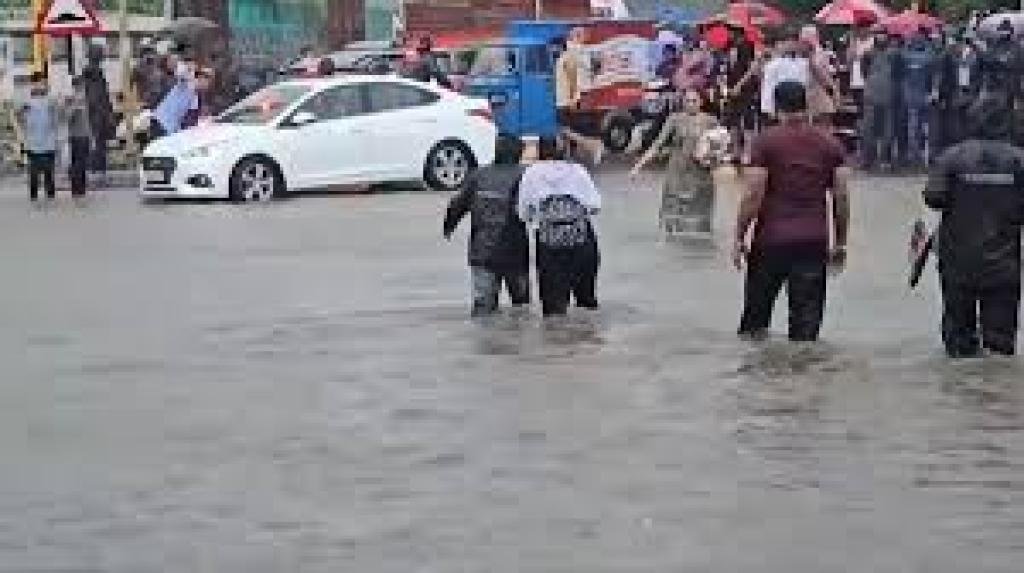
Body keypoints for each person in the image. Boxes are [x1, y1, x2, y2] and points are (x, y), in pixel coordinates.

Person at [733, 81, 850, 342]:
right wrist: (841, 243)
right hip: (813, 242)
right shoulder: (830, 144)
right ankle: (802, 369)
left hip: (770, 241)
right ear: (806, 105)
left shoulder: (765, 142)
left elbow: (753, 194)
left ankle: (758, 369)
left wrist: (739, 237)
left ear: (776, 107)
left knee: (754, 325)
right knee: (805, 332)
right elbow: (841, 196)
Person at [923, 100, 1024, 357]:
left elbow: (933, 198)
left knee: (958, 346)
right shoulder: (1018, 161)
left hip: (957, 265)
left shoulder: (951, 158)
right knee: (1000, 348)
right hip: (1004, 266)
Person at [443, 137, 531, 316]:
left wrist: (449, 226)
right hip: (515, 252)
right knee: (522, 307)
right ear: (519, 154)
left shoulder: (478, 176)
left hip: (482, 252)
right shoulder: (526, 176)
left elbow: (457, 205)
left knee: (483, 310)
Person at [518, 138, 602, 317]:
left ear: (540, 151)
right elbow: (595, 206)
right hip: (582, 243)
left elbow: (524, 213)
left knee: (553, 310)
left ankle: (555, 335)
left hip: (549, 246)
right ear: (564, 152)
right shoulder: (578, 171)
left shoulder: (532, 173)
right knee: (586, 305)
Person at [631, 89, 719, 237]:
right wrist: (638, 166)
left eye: (694, 101)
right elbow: (658, 144)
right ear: (683, 102)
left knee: (699, 228)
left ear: (701, 102)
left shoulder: (711, 121)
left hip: (701, 177)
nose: (691, 104)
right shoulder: (674, 119)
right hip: (677, 175)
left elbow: (720, 148)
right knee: (673, 223)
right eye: (687, 101)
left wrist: (712, 159)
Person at [554, 28, 604, 165]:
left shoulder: (567, 58)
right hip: (563, 98)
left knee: (562, 128)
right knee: (567, 128)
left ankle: (591, 145)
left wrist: (572, 98)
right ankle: (570, 154)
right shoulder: (568, 57)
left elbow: (572, 79)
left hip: (565, 100)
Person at [13, 73, 61, 202]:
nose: (40, 86)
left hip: (49, 141)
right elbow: (18, 116)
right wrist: (21, 112)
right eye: (38, 83)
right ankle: (34, 195)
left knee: (48, 171)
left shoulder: (51, 100)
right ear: (33, 85)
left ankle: (50, 195)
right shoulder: (26, 101)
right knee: (33, 172)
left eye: (43, 83)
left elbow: (57, 118)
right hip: (33, 142)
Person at [861, 30, 902, 170]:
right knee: (868, 129)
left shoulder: (895, 55)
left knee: (888, 131)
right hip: (871, 97)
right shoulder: (867, 54)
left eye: (883, 34)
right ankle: (868, 160)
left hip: (888, 97)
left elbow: (898, 76)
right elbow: (864, 73)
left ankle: (886, 159)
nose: (881, 37)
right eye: (878, 34)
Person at [932, 35, 978, 153]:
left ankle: (962, 147)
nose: (960, 46)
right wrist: (937, 93)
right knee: (952, 124)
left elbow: (975, 75)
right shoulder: (947, 57)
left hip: (965, 94)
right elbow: (940, 76)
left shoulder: (971, 57)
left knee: (964, 122)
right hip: (951, 95)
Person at [901, 28, 937, 168]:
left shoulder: (906, 54)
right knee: (918, 127)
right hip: (917, 96)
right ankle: (918, 155)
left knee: (917, 127)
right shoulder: (929, 54)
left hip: (918, 96)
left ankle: (917, 155)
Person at [80, 44, 115, 181]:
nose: (102, 58)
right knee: (97, 142)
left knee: (97, 142)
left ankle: (97, 169)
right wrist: (106, 112)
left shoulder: (91, 74)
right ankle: (97, 169)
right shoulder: (94, 74)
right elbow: (97, 96)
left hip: (96, 112)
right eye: (100, 55)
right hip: (97, 113)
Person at [151, 57, 199, 140]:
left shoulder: (195, 94)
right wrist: (187, 67)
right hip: (161, 123)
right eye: (190, 69)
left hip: (171, 129)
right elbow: (180, 72)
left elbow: (190, 115)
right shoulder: (184, 83)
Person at [66, 76, 92, 198]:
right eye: (80, 86)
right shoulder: (72, 100)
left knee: (82, 163)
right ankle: (76, 189)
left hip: (85, 135)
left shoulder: (85, 100)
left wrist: (91, 136)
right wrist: (75, 107)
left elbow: (88, 120)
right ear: (76, 87)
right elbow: (67, 117)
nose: (82, 88)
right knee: (77, 163)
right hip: (76, 136)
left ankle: (81, 189)